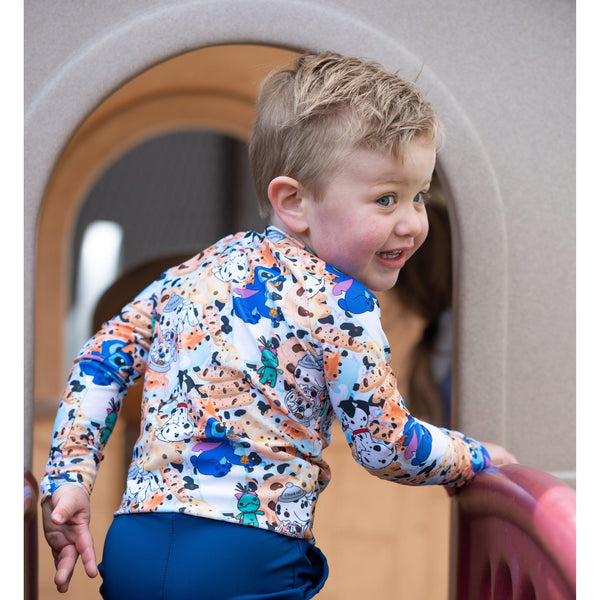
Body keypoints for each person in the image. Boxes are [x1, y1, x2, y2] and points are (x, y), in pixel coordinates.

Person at [41, 52, 517, 599]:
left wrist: (68, 477)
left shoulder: (196, 270)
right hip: (247, 557)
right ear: (293, 202)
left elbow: (101, 357)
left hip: (137, 545)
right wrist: (473, 457)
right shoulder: (342, 302)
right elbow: (387, 446)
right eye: (386, 198)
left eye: (418, 195)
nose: (411, 222)